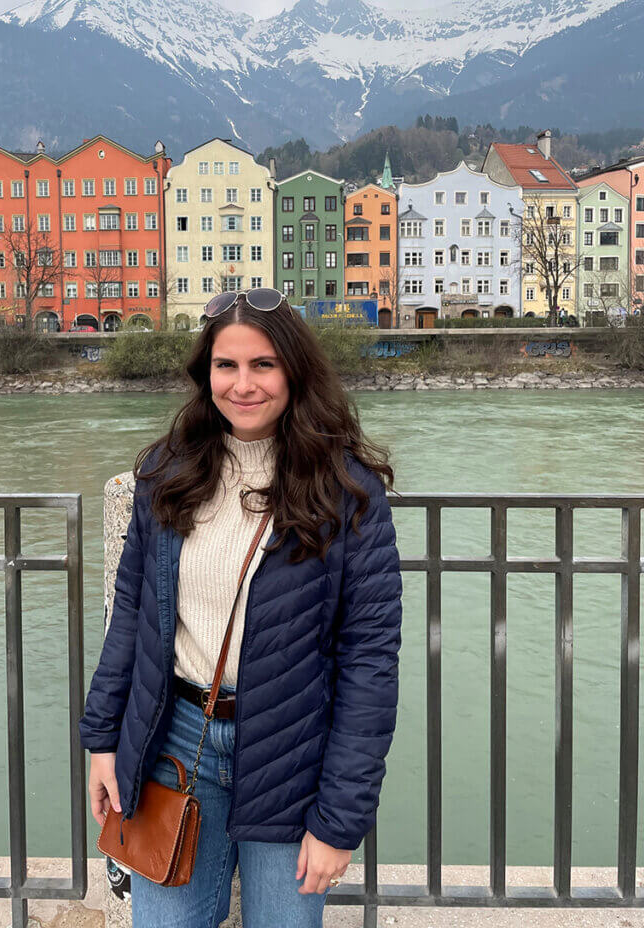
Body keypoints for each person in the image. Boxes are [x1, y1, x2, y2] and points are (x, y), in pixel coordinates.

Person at [79, 287, 403, 928]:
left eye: (262, 365)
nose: (243, 384)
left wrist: (340, 821)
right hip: (176, 742)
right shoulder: (168, 474)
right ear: (206, 374)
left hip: (292, 752)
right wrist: (102, 740)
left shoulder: (348, 493)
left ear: (294, 370)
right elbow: (133, 619)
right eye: (226, 365)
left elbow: (369, 666)